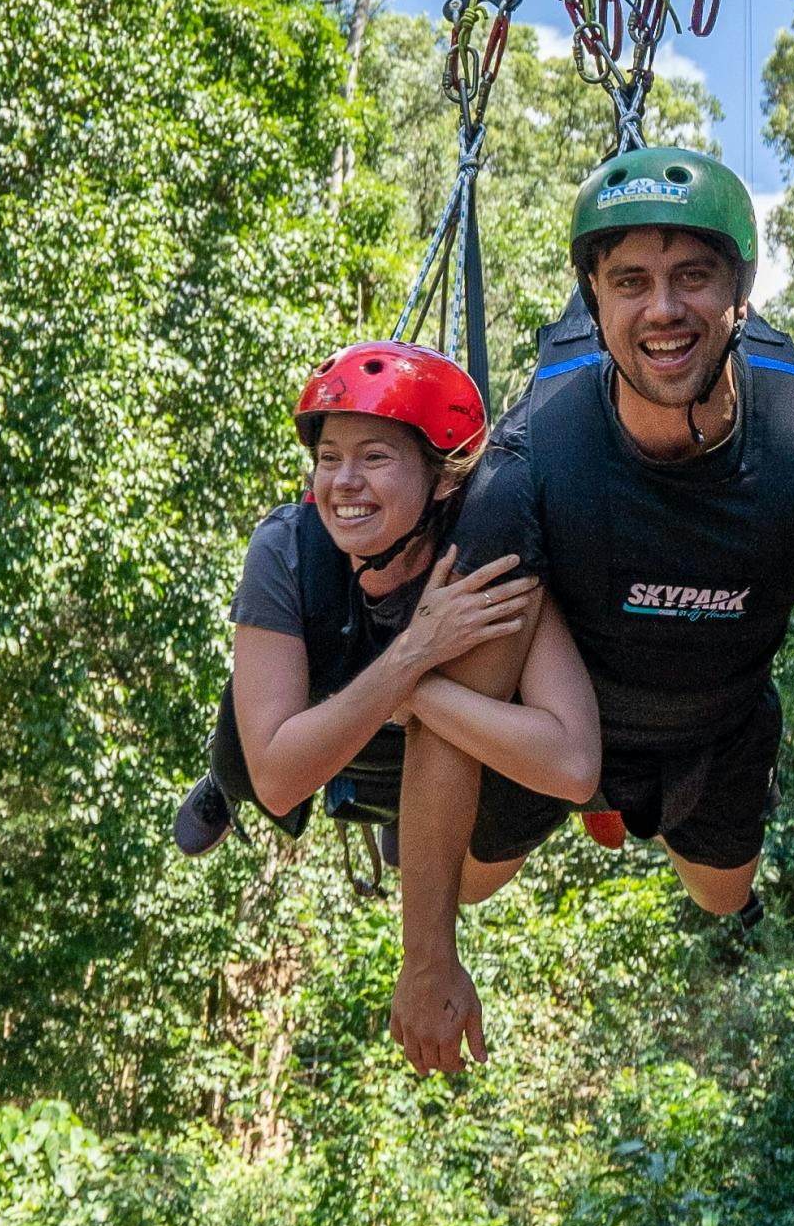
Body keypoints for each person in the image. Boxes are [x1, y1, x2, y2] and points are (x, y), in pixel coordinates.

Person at [385, 147, 794, 1076]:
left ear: (741, 293)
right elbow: (453, 730)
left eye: (691, 276)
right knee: (466, 885)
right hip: (556, 719)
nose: (662, 308)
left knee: (718, 892)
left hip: (718, 720)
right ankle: (591, 787)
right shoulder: (533, 465)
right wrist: (426, 959)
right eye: (631, 282)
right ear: (593, 301)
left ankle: (633, 803)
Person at [172, 343, 601, 887]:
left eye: (374, 458)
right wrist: (414, 654)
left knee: (487, 851)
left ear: (444, 479)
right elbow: (279, 781)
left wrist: (415, 693)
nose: (344, 481)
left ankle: (409, 812)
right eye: (329, 458)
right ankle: (223, 781)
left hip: (444, 753)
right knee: (244, 742)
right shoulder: (286, 550)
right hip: (319, 726)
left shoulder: (487, 553)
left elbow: (573, 766)